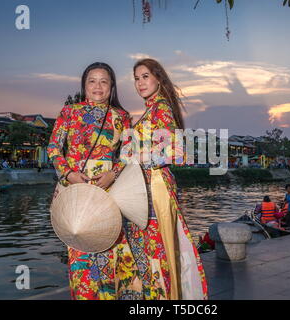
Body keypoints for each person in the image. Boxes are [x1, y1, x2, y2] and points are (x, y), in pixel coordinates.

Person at [47, 62, 140, 300]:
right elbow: (54, 148)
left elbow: (130, 153)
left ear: (112, 86)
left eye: (104, 81)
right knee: (80, 256)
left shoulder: (122, 117)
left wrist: (113, 174)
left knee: (112, 255)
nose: (97, 86)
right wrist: (68, 174)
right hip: (75, 192)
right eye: (92, 80)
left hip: (109, 193)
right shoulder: (69, 112)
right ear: (84, 85)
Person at [123, 58, 208, 300]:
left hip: (155, 187)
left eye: (145, 76)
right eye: (136, 78)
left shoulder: (160, 107)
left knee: (156, 252)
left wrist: (136, 157)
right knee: (153, 251)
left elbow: (175, 151)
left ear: (158, 77)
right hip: (146, 187)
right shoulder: (152, 109)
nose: (140, 83)